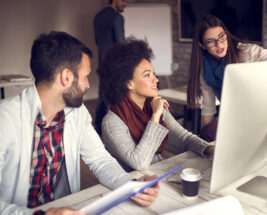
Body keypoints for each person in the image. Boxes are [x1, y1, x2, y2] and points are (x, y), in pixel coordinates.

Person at [0, 31, 159, 215]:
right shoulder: (5, 119)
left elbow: (100, 159)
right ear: (66, 77)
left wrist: (129, 185)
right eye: (85, 77)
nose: (87, 85)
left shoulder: (77, 113)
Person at [97, 38, 215, 171]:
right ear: (129, 83)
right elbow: (139, 163)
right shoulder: (112, 122)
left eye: (154, 73)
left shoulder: (153, 105)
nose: (156, 80)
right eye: (147, 75)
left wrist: (211, 149)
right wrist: (155, 115)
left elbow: (184, 138)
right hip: (131, 186)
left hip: (155, 177)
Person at [187, 15, 267, 142]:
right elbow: (208, 108)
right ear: (202, 45)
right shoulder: (204, 70)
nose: (219, 44)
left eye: (221, 36)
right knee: (207, 133)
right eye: (211, 41)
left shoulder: (246, 51)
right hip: (234, 117)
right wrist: (203, 140)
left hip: (261, 114)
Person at [93, 0, 127, 135]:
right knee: (120, 96)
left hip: (103, 62)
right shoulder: (117, 17)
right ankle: (118, 131)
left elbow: (97, 40)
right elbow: (121, 44)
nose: (126, 3)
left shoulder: (98, 16)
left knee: (103, 95)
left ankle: (99, 128)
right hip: (116, 64)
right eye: (123, 0)